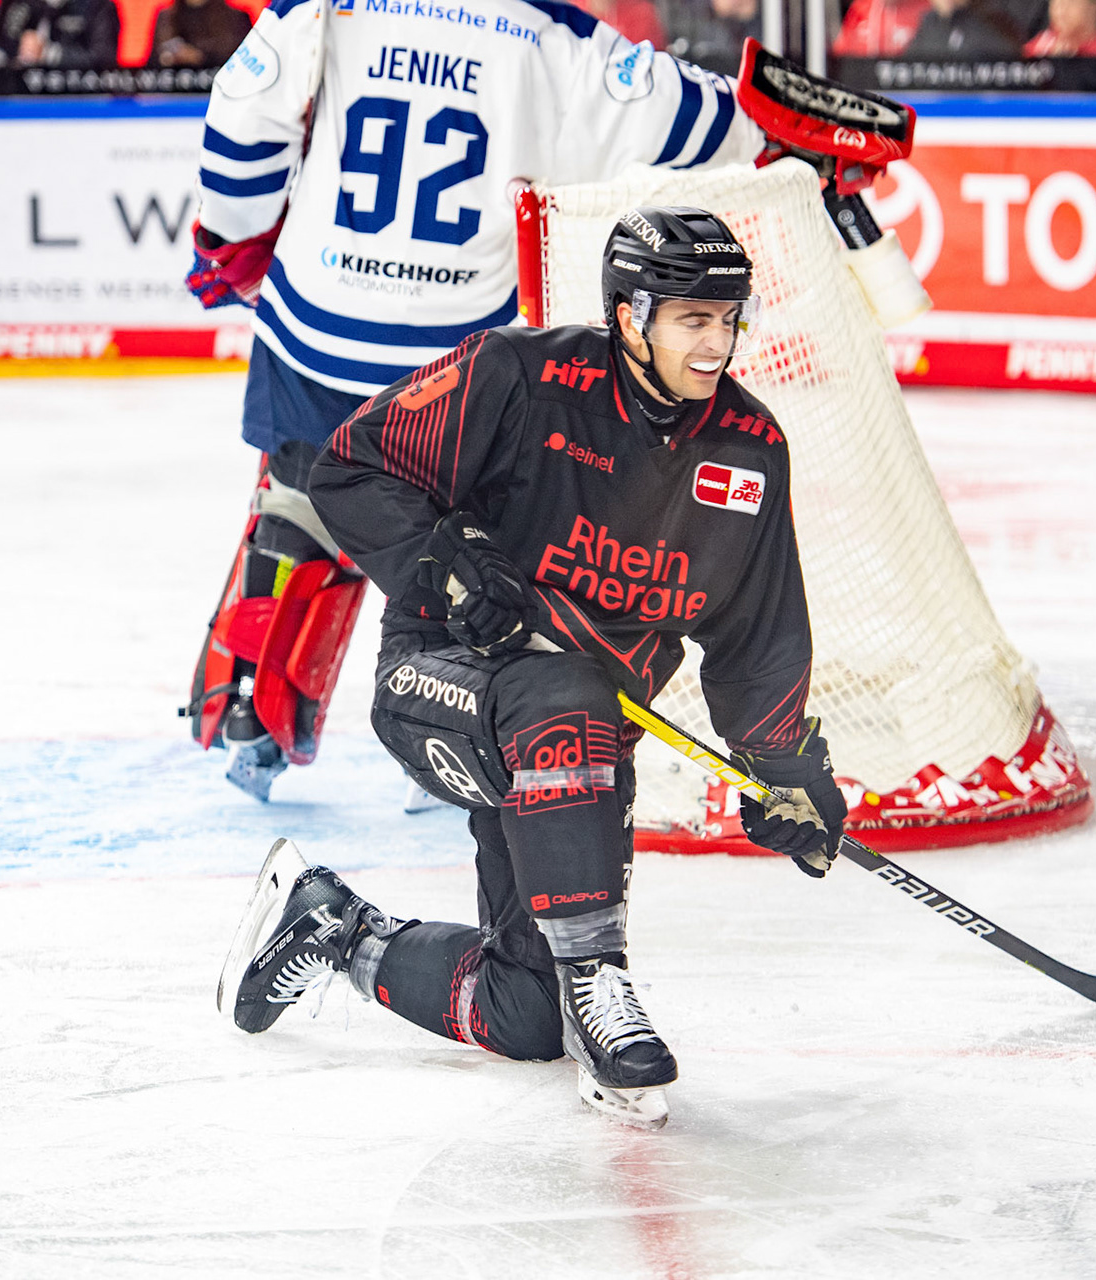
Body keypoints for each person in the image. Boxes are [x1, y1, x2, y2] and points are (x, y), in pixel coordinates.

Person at [213, 207, 849, 1128]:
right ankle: (600, 981)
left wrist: (785, 770)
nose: (717, 343)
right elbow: (349, 469)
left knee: (525, 1014)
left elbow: (761, 635)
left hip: (572, 746)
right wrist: (452, 560)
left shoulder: (748, 451)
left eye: (727, 319)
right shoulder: (521, 375)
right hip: (442, 677)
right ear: (630, 316)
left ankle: (330, 927)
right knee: (572, 700)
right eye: (692, 320)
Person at [181, 0, 766, 802]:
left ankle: (252, 705)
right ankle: (451, 739)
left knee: (302, 501)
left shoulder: (326, 6)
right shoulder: (553, 33)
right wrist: (772, 119)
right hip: (455, 358)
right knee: (469, 544)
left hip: (317, 325)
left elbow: (245, 112)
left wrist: (231, 234)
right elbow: (696, 121)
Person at [0, 0, 122, 69]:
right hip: (15, 101)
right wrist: (8, 64)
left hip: (74, 102)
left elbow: (104, 59)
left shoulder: (97, 6)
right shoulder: (15, 3)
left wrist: (49, 53)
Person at [147, 0, 253, 67]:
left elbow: (247, 63)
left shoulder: (236, 19)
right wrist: (166, 58)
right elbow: (150, 65)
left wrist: (201, 57)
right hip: (173, 91)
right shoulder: (166, 19)